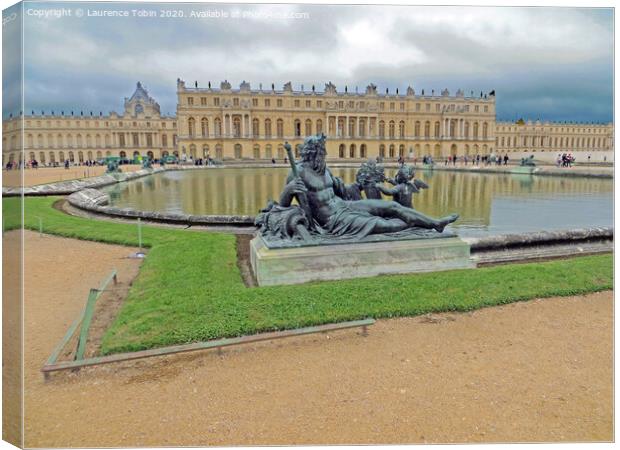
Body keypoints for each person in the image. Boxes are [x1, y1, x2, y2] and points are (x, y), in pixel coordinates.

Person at [278, 135, 458, 237]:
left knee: (393, 206)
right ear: (313, 151)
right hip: (332, 220)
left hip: (344, 206)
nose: (324, 153)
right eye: (321, 150)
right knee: (380, 224)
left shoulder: (325, 169)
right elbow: (283, 206)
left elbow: (344, 192)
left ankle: (436, 223)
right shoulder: (298, 172)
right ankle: (415, 226)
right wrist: (289, 189)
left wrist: (362, 183)